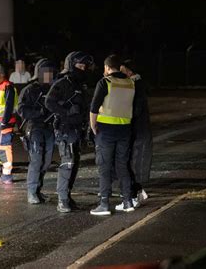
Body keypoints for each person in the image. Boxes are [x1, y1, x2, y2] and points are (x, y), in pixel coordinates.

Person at [45, 51, 93, 213]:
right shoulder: (63, 82)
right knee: (68, 162)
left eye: (85, 66)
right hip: (65, 129)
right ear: (71, 65)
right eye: (80, 65)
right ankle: (62, 199)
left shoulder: (80, 84)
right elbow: (49, 102)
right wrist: (67, 111)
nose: (83, 68)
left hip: (77, 129)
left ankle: (67, 196)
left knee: (75, 163)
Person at [89, 54, 136, 216]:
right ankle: (128, 201)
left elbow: (94, 107)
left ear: (108, 68)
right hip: (124, 129)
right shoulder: (130, 83)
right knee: (122, 165)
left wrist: (92, 125)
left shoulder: (105, 82)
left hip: (106, 131)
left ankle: (104, 204)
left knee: (105, 167)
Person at [18, 58, 58, 204]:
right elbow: (21, 109)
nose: (49, 75)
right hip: (35, 128)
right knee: (36, 160)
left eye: (51, 72)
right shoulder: (30, 90)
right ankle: (32, 192)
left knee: (46, 162)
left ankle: (38, 190)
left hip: (49, 129)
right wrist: (39, 112)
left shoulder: (54, 89)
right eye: (46, 72)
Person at [120, 59, 151, 203]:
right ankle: (137, 191)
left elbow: (136, 109)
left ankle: (132, 195)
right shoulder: (137, 84)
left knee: (130, 161)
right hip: (137, 128)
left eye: (122, 70)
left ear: (129, 71)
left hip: (135, 129)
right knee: (132, 161)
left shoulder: (135, 85)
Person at [0, 64, 18, 184]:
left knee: (5, 147)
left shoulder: (8, 86)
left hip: (6, 122)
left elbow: (9, 105)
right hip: (0, 121)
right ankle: (5, 173)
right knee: (2, 147)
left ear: (1, 74)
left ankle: (7, 175)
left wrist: (4, 121)